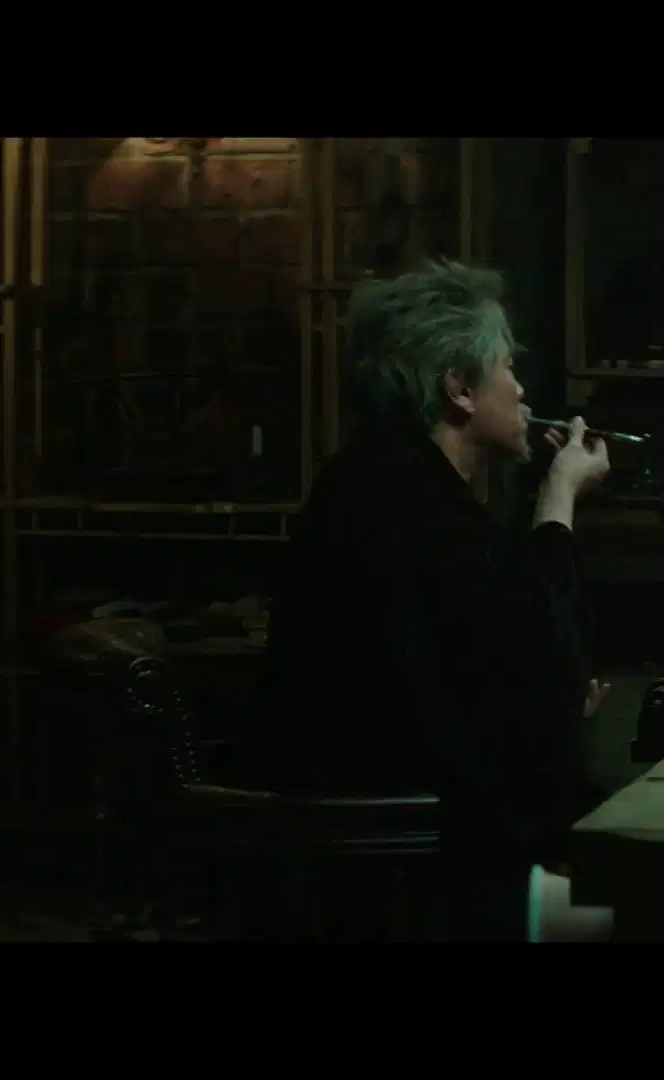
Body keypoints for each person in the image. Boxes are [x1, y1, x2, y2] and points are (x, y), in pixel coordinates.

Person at [256, 258, 613, 942]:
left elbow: (489, 652)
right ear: (460, 388)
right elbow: (527, 648)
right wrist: (561, 492)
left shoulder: (383, 479)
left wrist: (550, 693)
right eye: (507, 367)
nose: (521, 389)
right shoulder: (407, 496)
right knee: (655, 906)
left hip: (407, 842)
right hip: (416, 868)